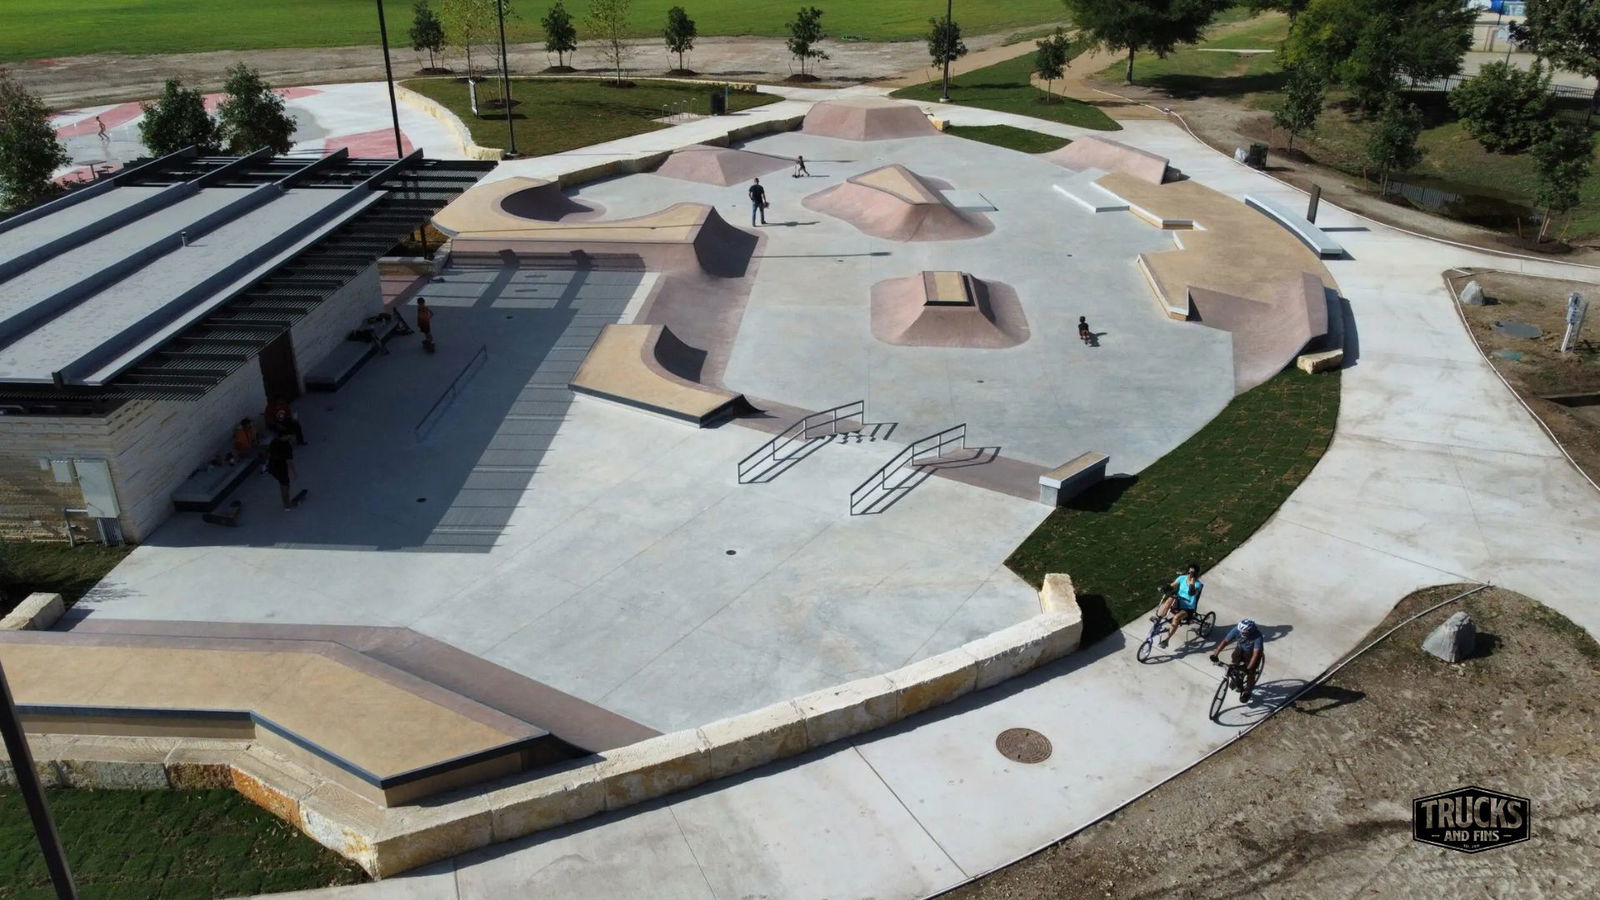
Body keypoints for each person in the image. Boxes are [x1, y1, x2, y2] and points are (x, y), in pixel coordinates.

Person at [1210, 618, 1265, 702]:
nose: (1241, 633)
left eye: (1244, 632)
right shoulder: (1237, 630)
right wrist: (1215, 654)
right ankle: (1236, 677)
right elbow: (1225, 641)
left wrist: (1248, 668)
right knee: (1233, 663)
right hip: (1240, 649)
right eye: (1241, 632)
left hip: (1252, 654)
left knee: (1251, 672)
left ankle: (1248, 690)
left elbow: (1255, 654)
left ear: (1250, 631)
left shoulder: (1257, 636)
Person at [266, 431, 297, 510]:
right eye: (288, 435)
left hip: (272, 466)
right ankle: (287, 504)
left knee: (283, 483)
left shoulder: (274, 442)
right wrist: (294, 473)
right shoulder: (286, 446)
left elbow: (269, 453)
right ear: (285, 436)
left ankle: (286, 502)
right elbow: (289, 461)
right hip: (281, 467)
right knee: (285, 485)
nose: (290, 437)